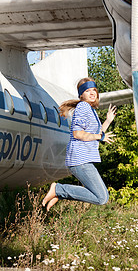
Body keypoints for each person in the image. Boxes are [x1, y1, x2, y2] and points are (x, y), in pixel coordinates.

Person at [42, 77, 117, 211]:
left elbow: (96, 135)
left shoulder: (90, 110)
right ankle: (58, 189)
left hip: (84, 159)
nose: (93, 93)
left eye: (94, 90)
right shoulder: (83, 107)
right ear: (81, 94)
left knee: (102, 197)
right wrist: (100, 136)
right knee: (101, 197)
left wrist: (107, 121)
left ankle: (59, 192)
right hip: (80, 159)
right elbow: (77, 133)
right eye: (88, 91)